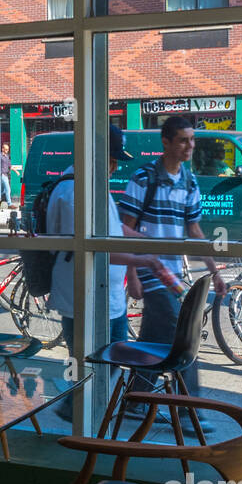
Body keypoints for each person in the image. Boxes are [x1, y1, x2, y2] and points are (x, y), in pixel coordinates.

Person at [47, 124, 168, 422]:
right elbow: (92, 251)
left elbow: (113, 230)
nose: (115, 168)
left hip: (106, 295)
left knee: (111, 357)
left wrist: (143, 239)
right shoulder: (75, 191)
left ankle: (81, 409)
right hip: (84, 296)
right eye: (113, 160)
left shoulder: (92, 187)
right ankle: (77, 413)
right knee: (95, 361)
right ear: (98, 157)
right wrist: (146, 262)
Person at [117, 115, 227, 430]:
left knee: (155, 337)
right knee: (185, 334)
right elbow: (126, 228)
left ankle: (135, 401)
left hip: (174, 274)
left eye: (192, 140)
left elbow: (194, 229)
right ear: (166, 142)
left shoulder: (189, 182)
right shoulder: (143, 178)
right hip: (151, 272)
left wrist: (214, 271)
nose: (190, 146)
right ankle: (189, 410)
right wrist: (133, 274)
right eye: (183, 140)